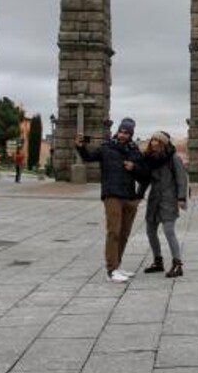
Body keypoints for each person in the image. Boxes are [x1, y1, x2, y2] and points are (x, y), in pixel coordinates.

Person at [75, 117, 145, 283]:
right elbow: (89, 157)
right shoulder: (106, 147)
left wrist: (134, 167)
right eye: (121, 131)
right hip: (112, 194)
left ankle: (117, 265)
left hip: (129, 196)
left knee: (124, 234)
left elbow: (144, 174)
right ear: (117, 131)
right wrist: (80, 146)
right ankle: (111, 269)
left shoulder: (135, 151)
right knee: (114, 231)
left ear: (131, 134)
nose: (123, 135)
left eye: (127, 132)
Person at [139, 131, 189, 278]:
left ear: (164, 143)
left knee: (169, 231)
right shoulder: (149, 159)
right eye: (152, 140)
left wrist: (181, 198)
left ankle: (177, 264)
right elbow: (145, 179)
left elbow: (182, 179)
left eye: (157, 141)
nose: (154, 143)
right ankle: (158, 261)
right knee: (150, 231)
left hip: (168, 198)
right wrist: (138, 194)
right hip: (154, 199)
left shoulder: (173, 158)